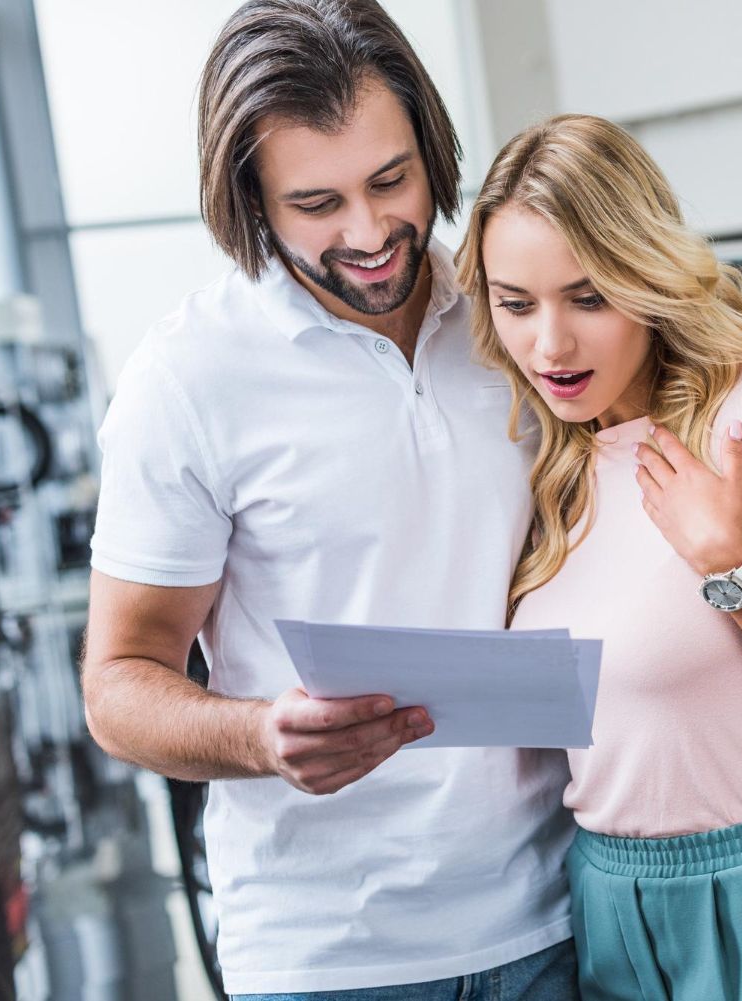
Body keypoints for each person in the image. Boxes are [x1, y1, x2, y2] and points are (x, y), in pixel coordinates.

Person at [79, 2, 577, 997]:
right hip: (330, 956)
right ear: (253, 202)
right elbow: (118, 683)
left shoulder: (516, 318)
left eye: (393, 180)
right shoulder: (189, 377)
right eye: (316, 203)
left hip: (561, 913)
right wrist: (258, 734)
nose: (369, 233)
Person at [459, 114, 742, 1001]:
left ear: (647, 276)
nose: (548, 345)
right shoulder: (548, 464)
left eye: (587, 297)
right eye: (516, 303)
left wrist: (734, 570)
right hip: (606, 896)